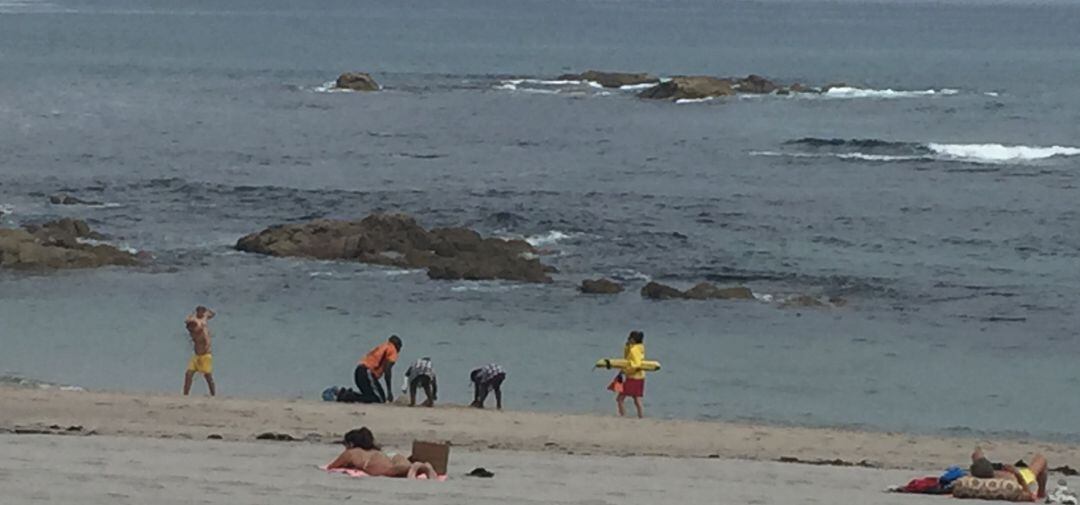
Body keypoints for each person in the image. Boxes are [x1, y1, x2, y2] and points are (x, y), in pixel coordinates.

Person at [327, 427, 438, 479]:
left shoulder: (351, 453)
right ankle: (423, 467)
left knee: (402, 471)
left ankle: (415, 467)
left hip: (386, 468)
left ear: (350, 444)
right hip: (392, 456)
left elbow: (332, 467)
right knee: (405, 467)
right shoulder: (373, 451)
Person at [970, 446, 1048, 500]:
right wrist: (1016, 473)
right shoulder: (1010, 482)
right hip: (1022, 478)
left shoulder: (974, 479)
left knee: (977, 453)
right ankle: (1041, 493)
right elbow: (1028, 494)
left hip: (993, 472)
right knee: (1041, 459)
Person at [354, 335, 401, 404]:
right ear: (397, 345)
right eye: (400, 348)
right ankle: (347, 396)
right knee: (379, 399)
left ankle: (347, 394)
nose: (399, 352)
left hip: (359, 370)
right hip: (366, 372)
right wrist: (389, 391)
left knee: (370, 396)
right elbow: (387, 370)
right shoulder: (393, 350)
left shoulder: (382, 346)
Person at [183, 306, 216, 396]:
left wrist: (206, 312)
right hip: (196, 355)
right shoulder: (193, 326)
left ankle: (213, 395)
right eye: (190, 330)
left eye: (193, 330)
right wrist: (193, 315)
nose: (191, 332)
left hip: (205, 355)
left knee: (208, 376)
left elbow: (212, 314)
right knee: (188, 374)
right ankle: (185, 395)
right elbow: (186, 320)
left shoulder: (202, 327)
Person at [616, 330, 646, 418]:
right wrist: (627, 347)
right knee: (636, 399)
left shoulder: (634, 350)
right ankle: (640, 416)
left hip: (633, 377)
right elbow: (627, 359)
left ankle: (623, 415)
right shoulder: (637, 348)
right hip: (638, 376)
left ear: (633, 339)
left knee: (620, 399)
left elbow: (635, 364)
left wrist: (625, 371)